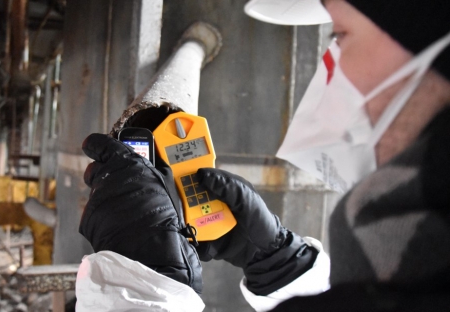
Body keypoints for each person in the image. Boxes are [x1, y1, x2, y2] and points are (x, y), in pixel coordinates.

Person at [75, 0, 450, 311]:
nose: (331, 72)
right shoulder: (414, 257)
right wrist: (282, 264)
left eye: (340, 36)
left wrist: (140, 288)